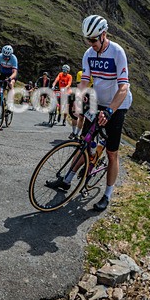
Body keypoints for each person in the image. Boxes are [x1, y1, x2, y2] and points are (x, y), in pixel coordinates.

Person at [45, 14, 132, 212]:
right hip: (97, 102)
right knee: (85, 142)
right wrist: (77, 101)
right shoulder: (88, 54)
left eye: (93, 40)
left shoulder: (117, 52)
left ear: (103, 35)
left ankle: (107, 195)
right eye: (87, 40)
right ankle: (67, 180)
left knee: (112, 153)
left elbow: (123, 87)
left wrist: (109, 111)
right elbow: (84, 81)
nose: (90, 44)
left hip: (118, 104)